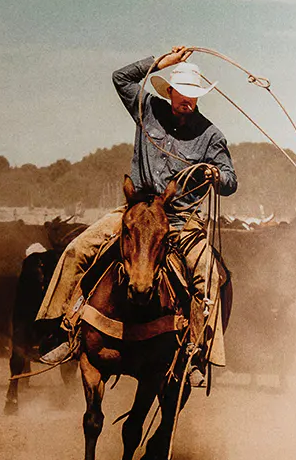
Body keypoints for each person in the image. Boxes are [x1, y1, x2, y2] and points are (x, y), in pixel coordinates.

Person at [36, 47, 237, 386]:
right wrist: (162, 62)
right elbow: (121, 78)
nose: (184, 100)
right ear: (169, 92)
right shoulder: (148, 110)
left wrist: (217, 176)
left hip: (180, 220)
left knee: (208, 276)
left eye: (192, 95)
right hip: (137, 212)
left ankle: (197, 353)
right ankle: (62, 331)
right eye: (179, 93)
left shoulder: (211, 135)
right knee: (76, 250)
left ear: (198, 98)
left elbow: (231, 181)